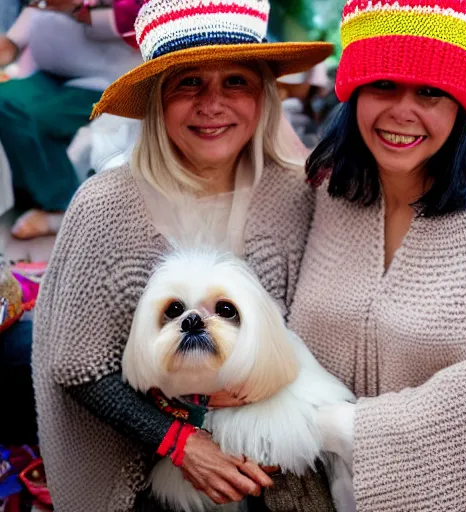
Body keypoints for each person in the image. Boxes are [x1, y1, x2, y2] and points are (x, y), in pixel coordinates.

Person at [31, 0, 335, 510]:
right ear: (155, 99)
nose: (212, 104)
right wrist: (179, 442)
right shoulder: (105, 206)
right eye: (188, 82)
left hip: (273, 459)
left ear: (264, 93)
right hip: (145, 472)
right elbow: (75, 364)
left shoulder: (295, 194)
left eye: (235, 80)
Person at [288, 0, 466, 510]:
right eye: (384, 84)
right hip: (310, 492)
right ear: (354, 91)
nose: (401, 112)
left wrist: (330, 427)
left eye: (431, 92)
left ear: (461, 105)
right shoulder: (324, 197)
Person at [0, 0, 141, 240]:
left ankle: (62, 206)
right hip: (48, 76)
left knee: (29, 113)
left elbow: (132, 19)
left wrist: (77, 7)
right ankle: (30, 193)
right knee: (6, 100)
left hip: (106, 83)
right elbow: (21, 30)